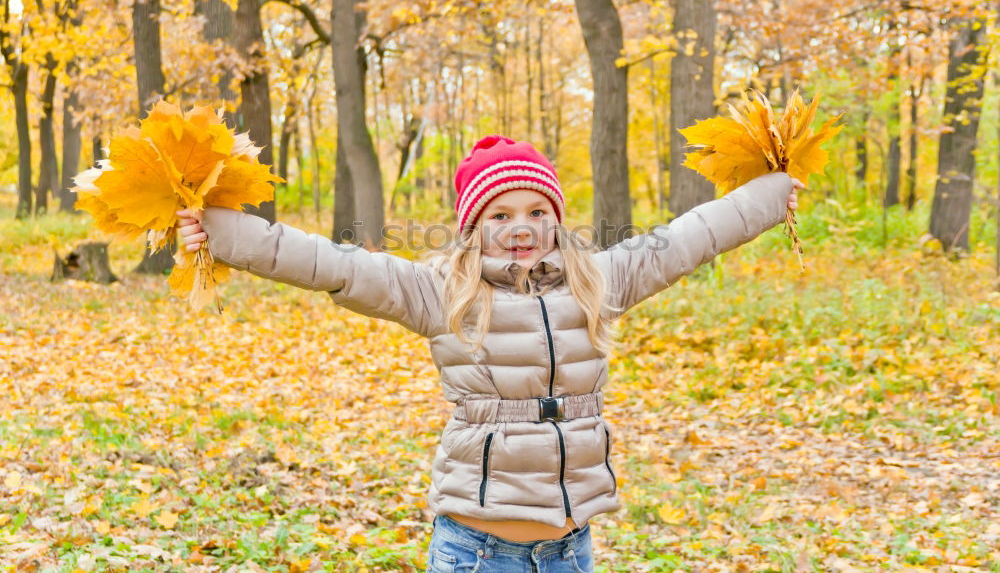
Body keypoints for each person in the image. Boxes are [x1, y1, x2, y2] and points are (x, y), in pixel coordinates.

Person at [178, 135, 803, 572]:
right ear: (473, 226)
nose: (522, 226)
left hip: (570, 551)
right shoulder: (437, 291)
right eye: (500, 213)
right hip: (476, 552)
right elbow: (325, 262)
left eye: (537, 210)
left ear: (556, 218)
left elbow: (691, 238)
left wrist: (773, 194)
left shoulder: (598, 281)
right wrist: (219, 229)